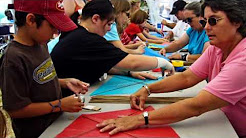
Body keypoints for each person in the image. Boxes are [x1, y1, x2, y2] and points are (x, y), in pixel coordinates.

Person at [97, 0, 246, 137]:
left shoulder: (242, 61)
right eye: (205, 21)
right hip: (220, 121)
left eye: (213, 21)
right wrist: (148, 89)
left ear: (237, 21)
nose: (206, 27)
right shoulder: (217, 48)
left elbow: (197, 106)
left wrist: (138, 119)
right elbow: (186, 77)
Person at [0, 0, 90, 137]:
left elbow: (37, 79)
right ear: (31, 20)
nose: (55, 32)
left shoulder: (41, 44)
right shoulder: (13, 58)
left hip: (55, 125)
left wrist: (64, 82)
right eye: (52, 26)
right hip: (37, 133)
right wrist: (60, 105)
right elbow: (15, 109)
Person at [51, 0, 174, 96]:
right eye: (109, 24)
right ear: (95, 19)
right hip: (62, 98)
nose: (110, 29)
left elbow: (104, 63)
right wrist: (164, 63)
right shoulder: (87, 39)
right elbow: (132, 62)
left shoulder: (77, 32)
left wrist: (129, 72)